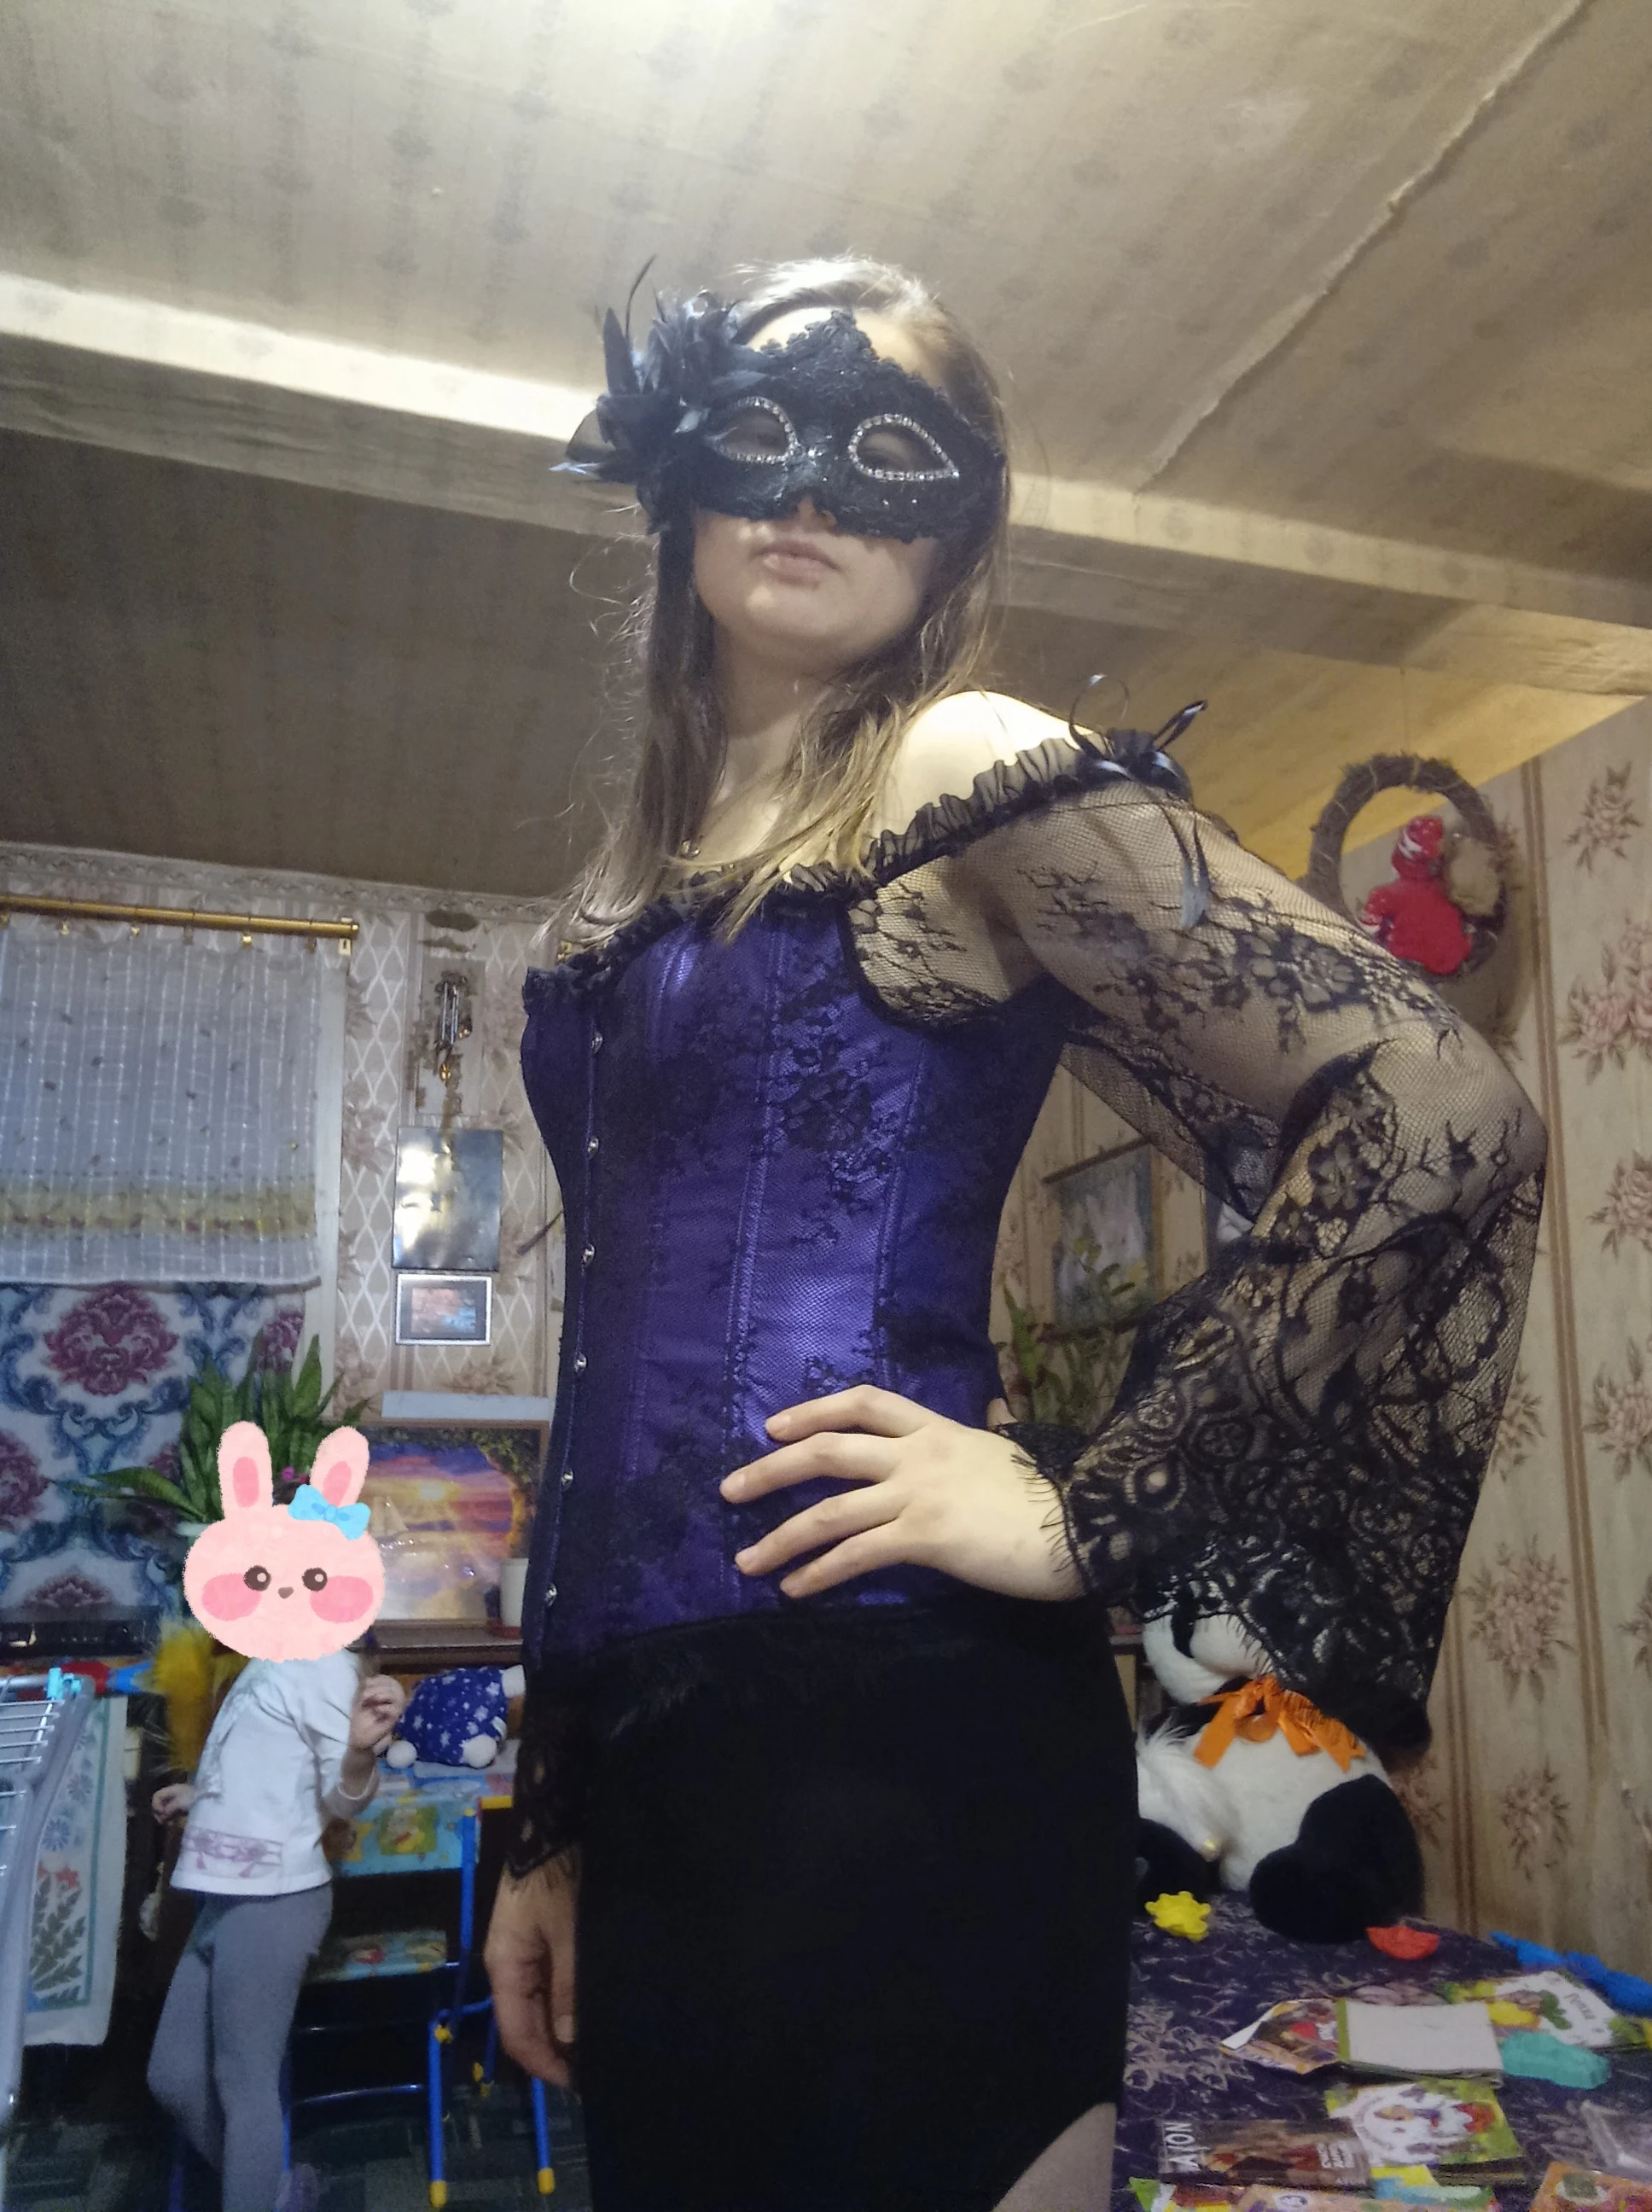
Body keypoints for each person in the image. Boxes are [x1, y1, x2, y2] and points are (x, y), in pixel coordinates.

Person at [484, 256, 1544, 2212]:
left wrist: (1084, 1508)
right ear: (675, 479)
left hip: (901, 1738)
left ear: (953, 529)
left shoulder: (952, 764)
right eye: (760, 430)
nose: (813, 488)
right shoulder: (649, 870)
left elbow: (1436, 1106)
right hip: (651, 1768)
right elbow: (603, 1365)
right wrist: (547, 1822)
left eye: (887, 451)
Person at [148, 1650, 406, 2212]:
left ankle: (268, 2192)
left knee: (244, 2089)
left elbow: (343, 1799)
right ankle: (278, 2192)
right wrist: (204, 1797)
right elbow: (270, 1770)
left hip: (275, 1900)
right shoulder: (267, 1659)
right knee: (174, 2076)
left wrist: (360, 1752)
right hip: (224, 1895)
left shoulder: (326, 1665)